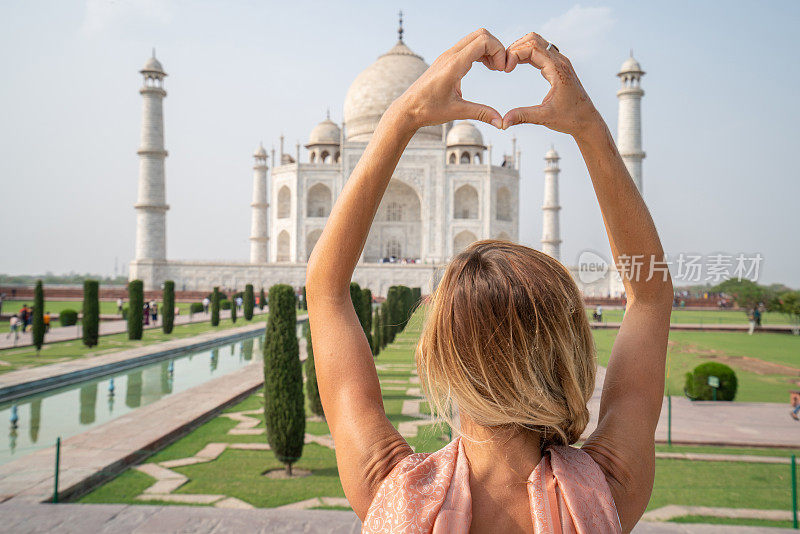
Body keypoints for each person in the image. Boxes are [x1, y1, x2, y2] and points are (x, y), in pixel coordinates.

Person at [306, 30, 672, 534]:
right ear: (568, 352)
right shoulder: (597, 495)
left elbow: (325, 289)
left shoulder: (398, 498)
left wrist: (404, 115)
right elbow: (650, 297)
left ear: (439, 359)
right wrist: (587, 124)